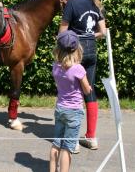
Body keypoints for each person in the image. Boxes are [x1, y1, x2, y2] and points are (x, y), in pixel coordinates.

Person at [59, 0, 106, 151]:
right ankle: (91, 137)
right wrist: (89, 35)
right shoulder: (96, 4)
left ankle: (73, 141)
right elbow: (102, 32)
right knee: (89, 91)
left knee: (72, 93)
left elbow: (62, 33)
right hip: (91, 51)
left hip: (75, 51)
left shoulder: (71, 3)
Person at [49, 30, 92, 172]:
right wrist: (88, 87)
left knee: (56, 143)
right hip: (74, 111)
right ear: (77, 48)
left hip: (60, 108)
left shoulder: (55, 66)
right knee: (67, 148)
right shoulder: (78, 69)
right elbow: (87, 90)